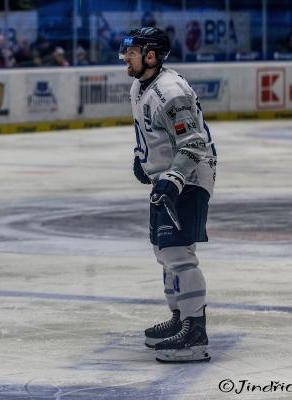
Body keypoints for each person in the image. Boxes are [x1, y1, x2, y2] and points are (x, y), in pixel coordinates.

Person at [119, 27, 217, 363]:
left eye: (131, 52)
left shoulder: (169, 91)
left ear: (151, 56)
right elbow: (153, 134)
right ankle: (180, 318)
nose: (125, 57)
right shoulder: (140, 86)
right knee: (164, 251)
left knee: (178, 253)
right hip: (168, 177)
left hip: (189, 177)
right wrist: (143, 159)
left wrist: (173, 178)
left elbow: (194, 144)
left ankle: (195, 333)